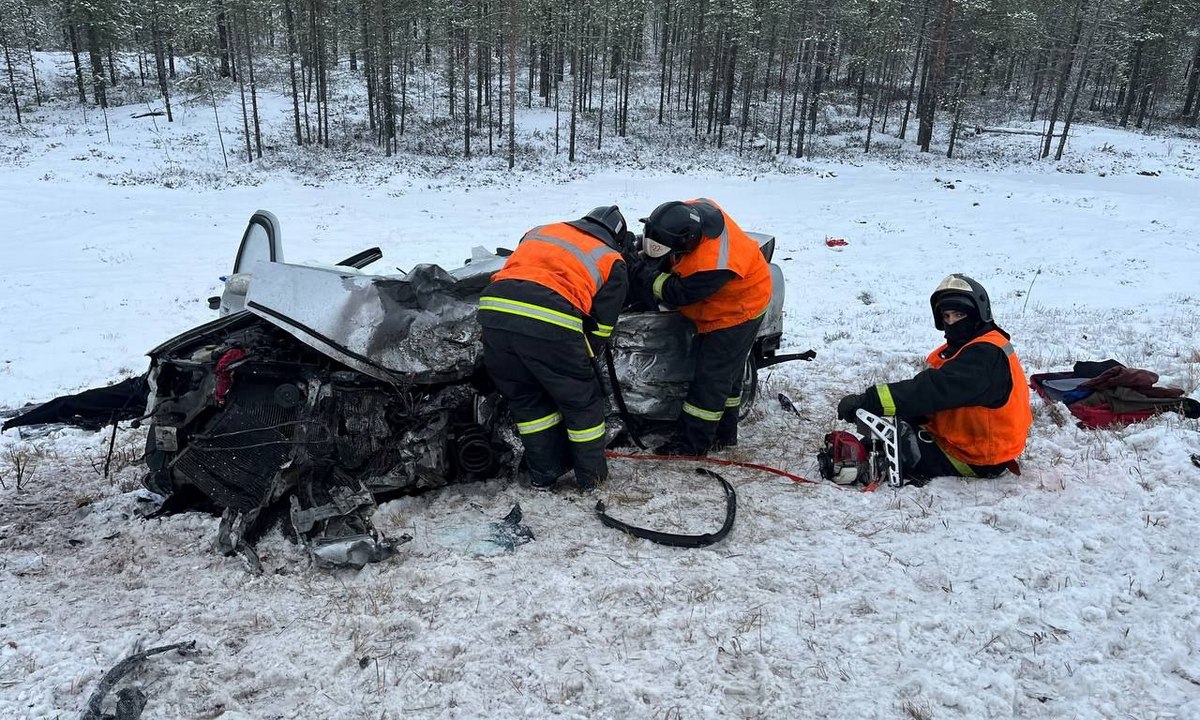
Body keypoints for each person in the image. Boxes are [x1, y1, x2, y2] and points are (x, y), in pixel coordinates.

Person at [478, 206, 631, 492]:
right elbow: (601, 328)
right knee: (581, 403)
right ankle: (591, 479)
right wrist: (582, 359)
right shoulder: (612, 259)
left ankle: (543, 476)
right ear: (617, 238)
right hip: (549, 320)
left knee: (527, 401)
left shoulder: (540, 230)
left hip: (493, 315)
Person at [835, 274, 1033, 483]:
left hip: (976, 457)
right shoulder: (975, 346)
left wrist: (870, 400)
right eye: (946, 316)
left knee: (884, 457)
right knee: (887, 434)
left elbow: (932, 390)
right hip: (964, 441)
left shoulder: (984, 355)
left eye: (958, 315)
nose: (951, 322)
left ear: (978, 314)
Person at [627, 198, 773, 456]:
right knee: (729, 374)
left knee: (711, 379)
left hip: (738, 310)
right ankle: (724, 434)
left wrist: (643, 273)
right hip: (740, 292)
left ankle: (691, 444)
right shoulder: (690, 212)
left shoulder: (713, 264)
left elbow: (675, 293)